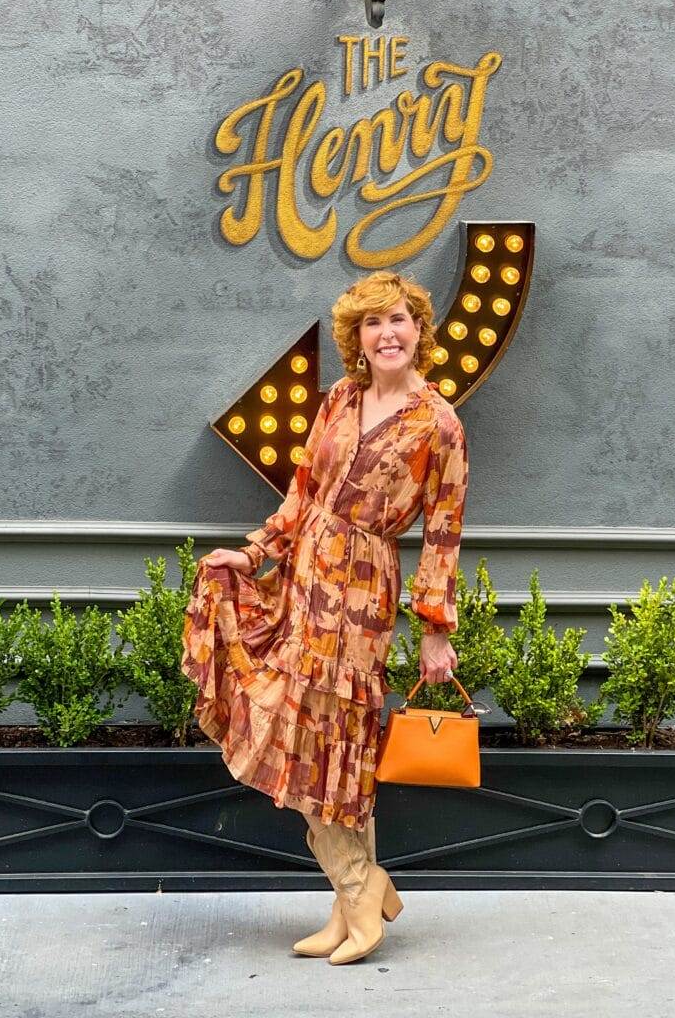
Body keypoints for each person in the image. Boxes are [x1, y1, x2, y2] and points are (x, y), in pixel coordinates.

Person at [181, 270, 469, 964]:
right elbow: (302, 492)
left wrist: (434, 628)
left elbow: (443, 530)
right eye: (373, 323)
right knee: (300, 732)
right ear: (358, 339)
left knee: (336, 738)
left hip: (363, 592)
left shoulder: (440, 422)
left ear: (418, 331)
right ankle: (357, 897)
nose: (387, 333)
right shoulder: (340, 397)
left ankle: (359, 896)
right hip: (305, 576)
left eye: (398, 319)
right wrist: (254, 555)